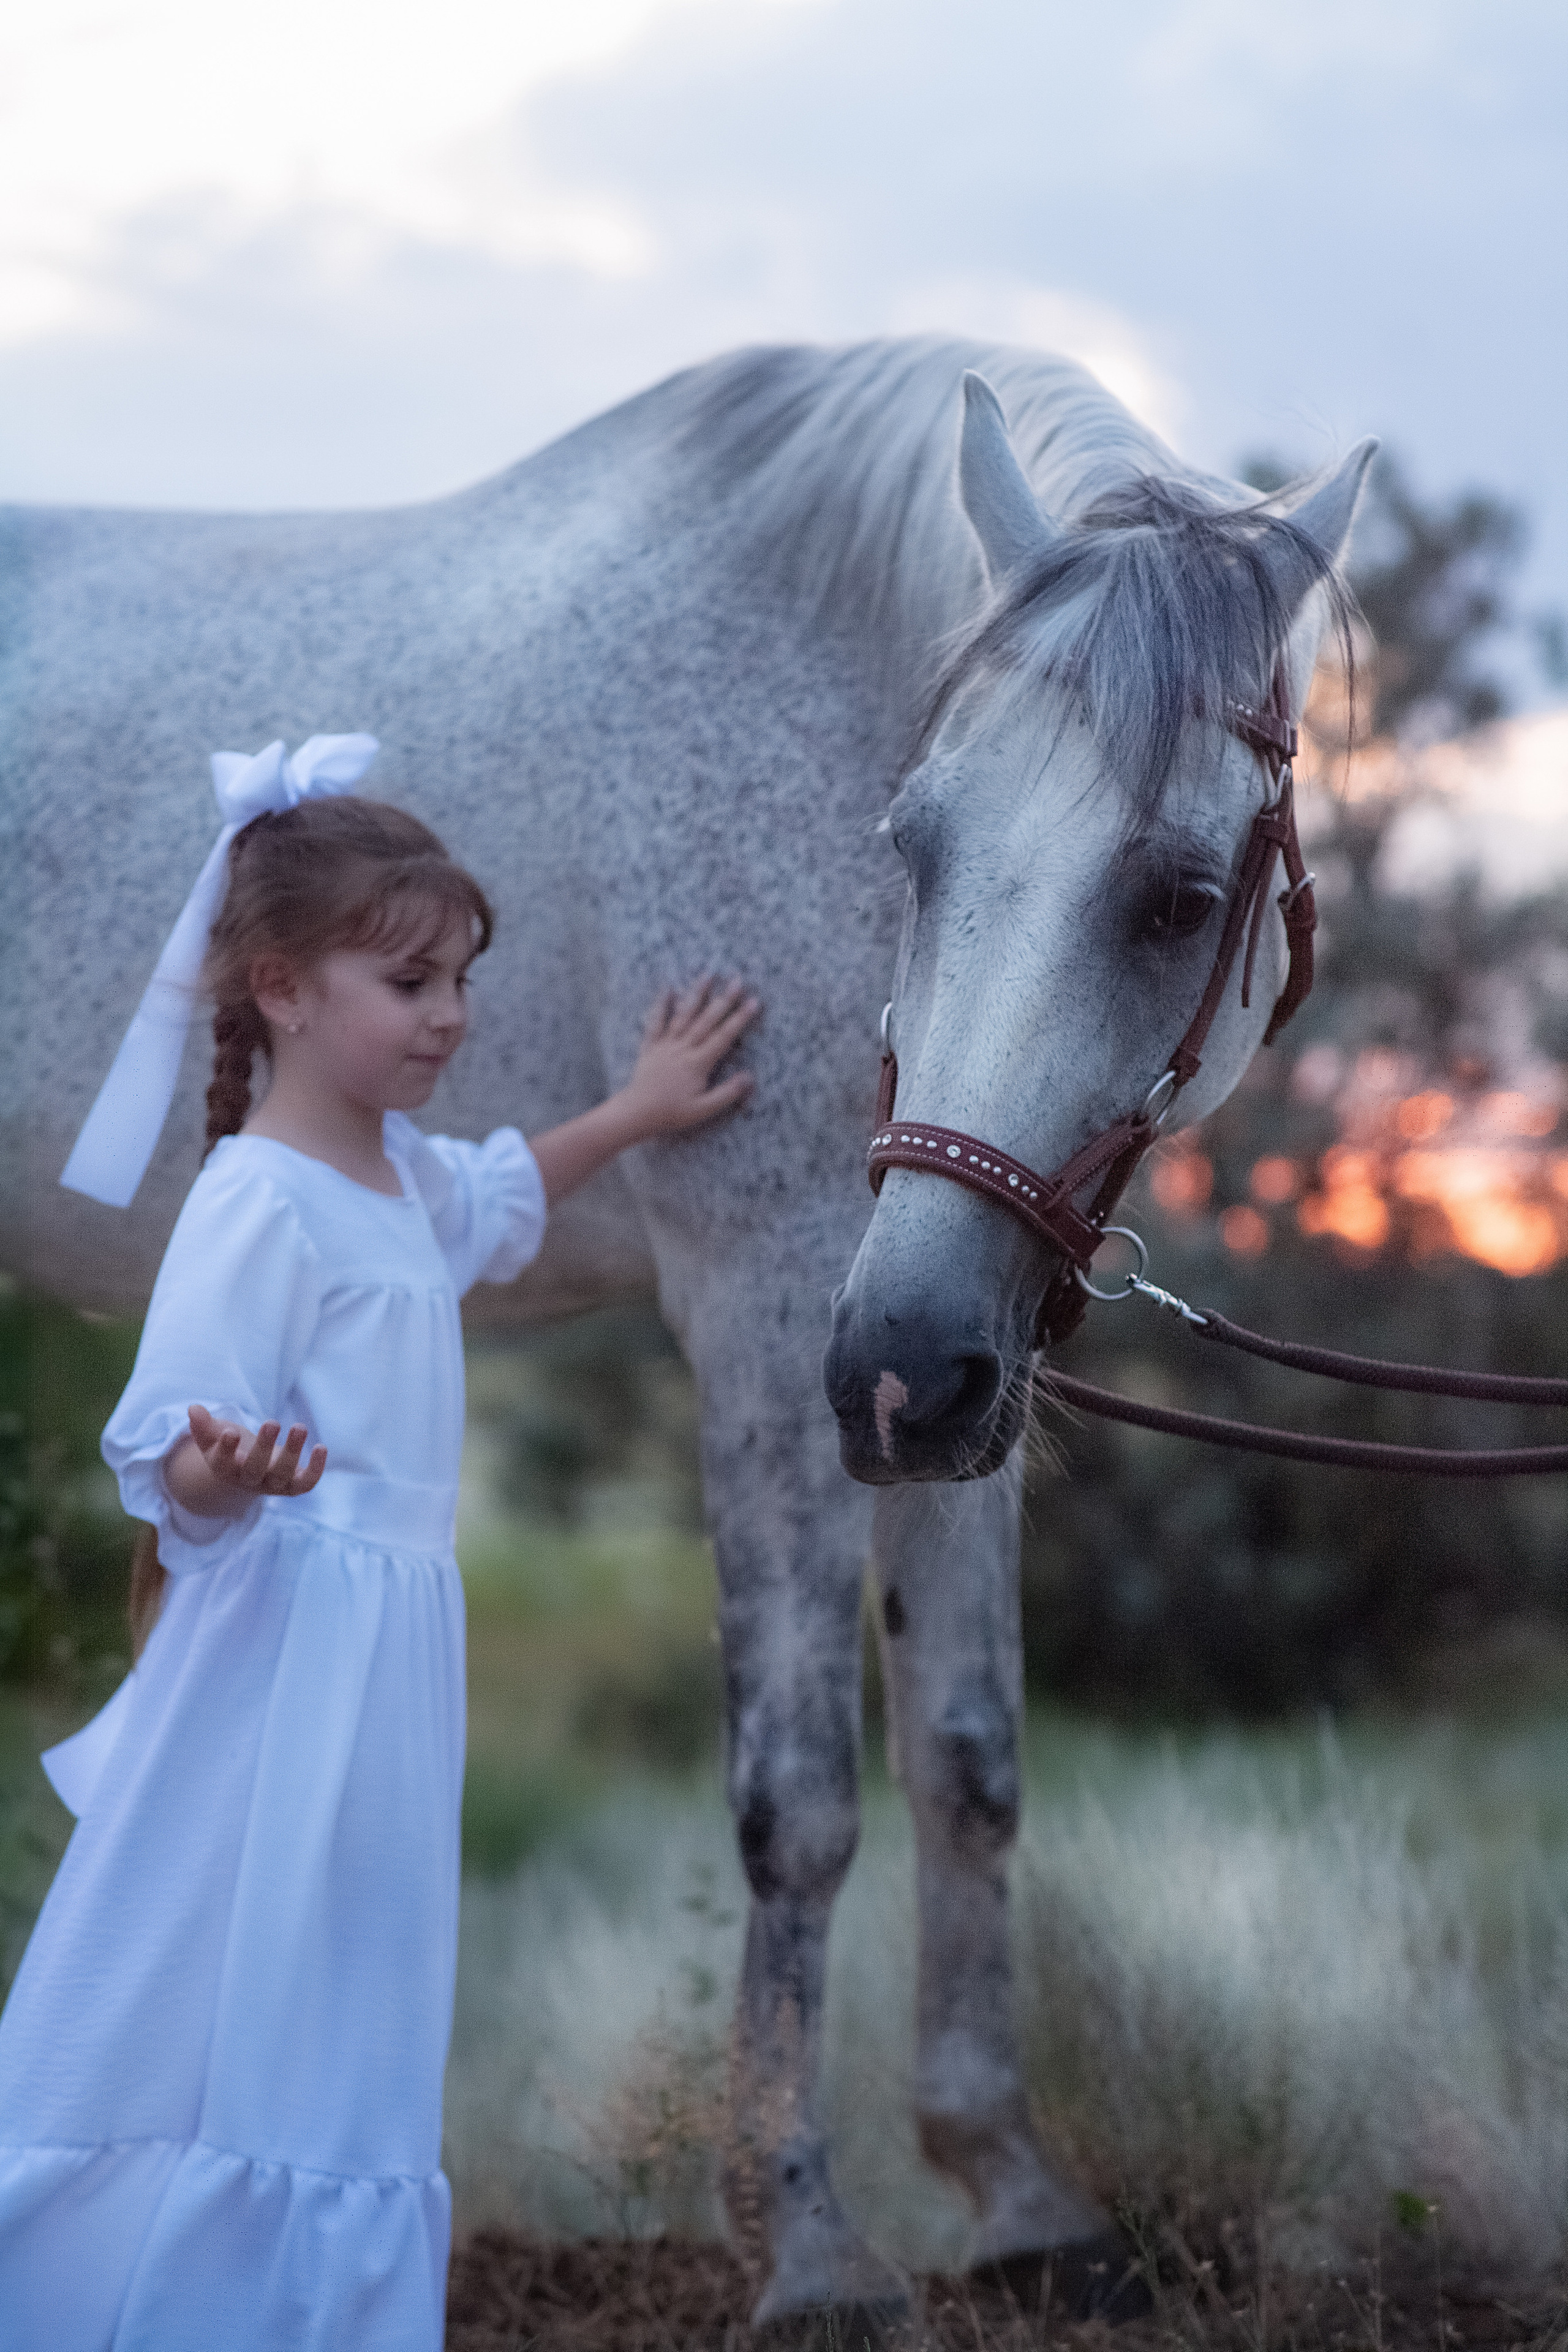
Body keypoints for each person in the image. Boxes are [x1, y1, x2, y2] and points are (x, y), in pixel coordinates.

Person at [0, 736, 760, 2351]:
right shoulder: (257, 1202)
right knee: (234, 1995)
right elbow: (168, 1447)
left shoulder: (398, 1175)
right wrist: (222, 1474)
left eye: (459, 980)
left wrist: (629, 1110)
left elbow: (491, 1202)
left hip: (385, 1667)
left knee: (349, 2012)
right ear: (278, 986)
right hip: (284, 1666)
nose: (450, 1015)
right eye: (407, 980)